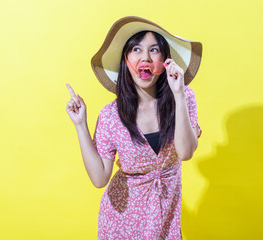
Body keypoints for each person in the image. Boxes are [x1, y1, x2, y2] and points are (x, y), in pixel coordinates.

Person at [66, 16, 202, 240]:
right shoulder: (111, 115)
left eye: (154, 49)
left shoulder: (184, 96)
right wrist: (80, 125)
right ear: (126, 59)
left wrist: (177, 93)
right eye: (136, 49)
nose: (145, 58)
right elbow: (100, 178)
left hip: (165, 218)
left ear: (165, 59)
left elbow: (185, 152)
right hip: (121, 220)